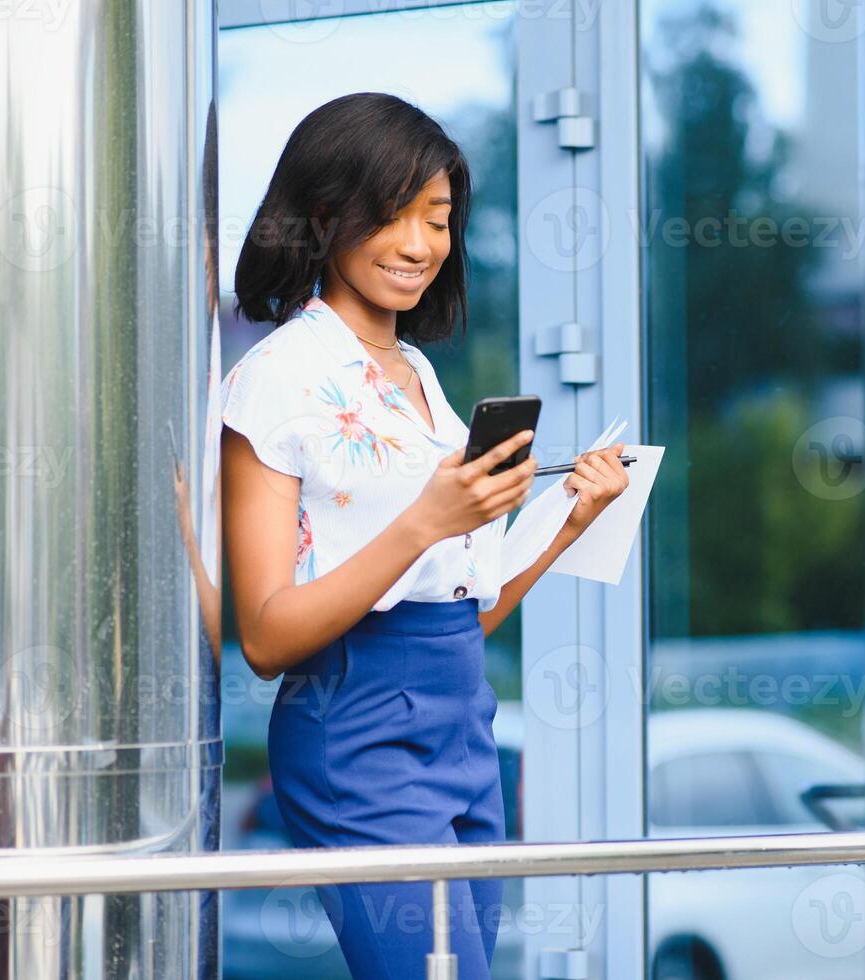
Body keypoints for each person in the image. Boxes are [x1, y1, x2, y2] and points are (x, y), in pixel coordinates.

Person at [220, 92, 629, 980]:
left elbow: (460, 614)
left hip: (463, 723)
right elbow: (263, 635)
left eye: (437, 221)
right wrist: (426, 521)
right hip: (357, 731)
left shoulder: (420, 380)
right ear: (325, 216)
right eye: (392, 216)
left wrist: (562, 526)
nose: (417, 245)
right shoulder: (274, 379)